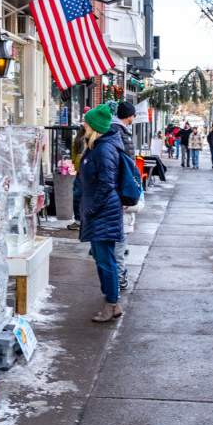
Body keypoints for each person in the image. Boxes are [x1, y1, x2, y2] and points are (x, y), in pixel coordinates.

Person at [79, 104, 124, 322]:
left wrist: (91, 208)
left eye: (86, 121)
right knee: (101, 258)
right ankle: (112, 302)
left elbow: (106, 183)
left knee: (106, 260)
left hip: (103, 212)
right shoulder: (95, 145)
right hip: (100, 211)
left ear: (95, 126)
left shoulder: (104, 149)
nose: (83, 124)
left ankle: (112, 303)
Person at [112, 101, 136, 291]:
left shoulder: (114, 132)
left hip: (118, 191)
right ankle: (119, 276)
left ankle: (118, 274)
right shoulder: (119, 134)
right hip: (120, 192)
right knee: (120, 233)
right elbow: (126, 164)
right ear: (129, 116)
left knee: (120, 234)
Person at [67, 107, 91, 231]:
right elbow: (74, 151)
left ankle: (85, 220)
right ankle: (78, 219)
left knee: (84, 196)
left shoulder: (93, 136)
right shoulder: (79, 135)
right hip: (80, 171)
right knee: (77, 195)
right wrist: (74, 164)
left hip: (88, 171)